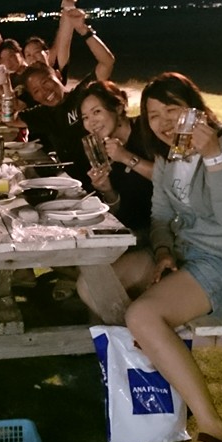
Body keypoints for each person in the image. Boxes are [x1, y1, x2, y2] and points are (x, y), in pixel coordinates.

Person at [125, 72, 222, 442]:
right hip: (184, 254)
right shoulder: (168, 157)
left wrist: (214, 156)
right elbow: (160, 215)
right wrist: (163, 251)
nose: (164, 122)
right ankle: (142, 370)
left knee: (142, 315)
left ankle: (215, 432)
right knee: (97, 280)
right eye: (153, 115)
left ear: (196, 111)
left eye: (172, 109)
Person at [12, 4, 115, 189]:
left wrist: (84, 30)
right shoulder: (44, 113)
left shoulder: (82, 95)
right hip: (73, 185)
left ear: (59, 76)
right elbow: (12, 121)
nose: (45, 92)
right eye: (36, 91)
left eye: (46, 82)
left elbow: (107, 62)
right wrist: (7, 101)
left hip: (105, 179)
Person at [74, 81, 156, 307]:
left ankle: (136, 327)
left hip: (160, 238)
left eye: (97, 112)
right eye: (85, 117)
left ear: (118, 108)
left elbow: (173, 177)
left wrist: (125, 157)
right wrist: (107, 190)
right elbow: (120, 209)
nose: (91, 122)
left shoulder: (147, 132)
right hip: (131, 234)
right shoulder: (105, 149)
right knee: (85, 266)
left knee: (93, 285)